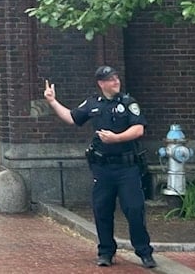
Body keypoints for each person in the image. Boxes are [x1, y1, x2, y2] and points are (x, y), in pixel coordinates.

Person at [43, 66, 157, 269]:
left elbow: (139, 129)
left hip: (126, 167)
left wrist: (117, 138)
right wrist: (52, 101)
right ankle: (106, 252)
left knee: (134, 209)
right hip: (103, 168)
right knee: (102, 210)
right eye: (110, 79)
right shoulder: (93, 104)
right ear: (101, 83)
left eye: (116, 78)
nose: (116, 82)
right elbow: (72, 117)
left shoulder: (128, 103)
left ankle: (144, 252)